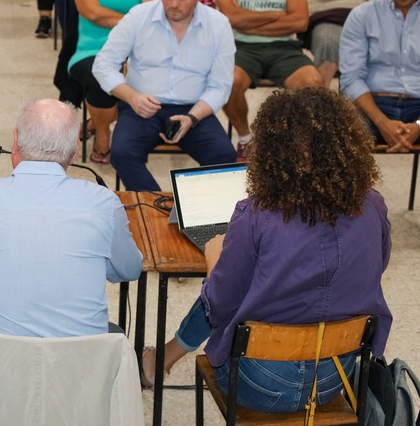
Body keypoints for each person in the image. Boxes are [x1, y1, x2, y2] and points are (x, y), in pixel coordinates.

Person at [141, 87, 391, 416]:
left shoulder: (256, 214)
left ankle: (161, 360)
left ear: (272, 151)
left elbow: (219, 305)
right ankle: (163, 358)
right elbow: (379, 264)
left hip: (258, 384)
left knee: (228, 285)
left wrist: (214, 265)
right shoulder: (373, 205)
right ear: (349, 146)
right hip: (335, 376)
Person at [0, 99, 142, 337]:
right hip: (84, 366)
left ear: (15, 141)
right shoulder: (104, 204)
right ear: (76, 150)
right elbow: (129, 269)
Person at [94, 0, 236, 191]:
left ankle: (192, 215)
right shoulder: (139, 16)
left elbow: (221, 86)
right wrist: (131, 96)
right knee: (122, 153)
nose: (173, 4)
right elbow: (103, 64)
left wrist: (192, 117)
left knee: (223, 156)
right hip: (142, 105)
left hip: (194, 109)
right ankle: (157, 210)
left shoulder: (218, 25)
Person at [216, 0, 323, 160]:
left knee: (314, 83)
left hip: (284, 48)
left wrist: (247, 20)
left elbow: (299, 20)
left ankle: (295, 144)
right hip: (240, 46)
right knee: (226, 82)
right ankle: (245, 139)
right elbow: (231, 17)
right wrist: (277, 14)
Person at [69, 0, 160, 164]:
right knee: (101, 80)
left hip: (137, 54)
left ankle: (94, 122)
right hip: (92, 50)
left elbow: (155, 22)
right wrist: (134, 23)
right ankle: (102, 134)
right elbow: (93, 13)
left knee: (158, 86)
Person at [340, 0, 420, 151]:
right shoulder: (362, 15)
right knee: (337, 135)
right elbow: (351, 78)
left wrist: (419, 125)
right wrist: (382, 122)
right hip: (374, 103)